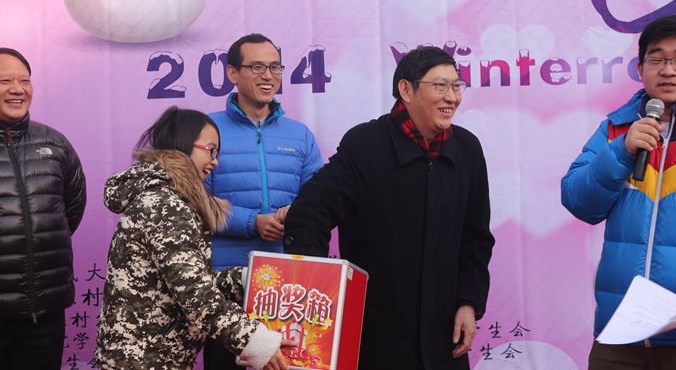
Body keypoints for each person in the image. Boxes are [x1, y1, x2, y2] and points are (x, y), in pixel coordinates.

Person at [283, 46, 495, 369]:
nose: (451, 97)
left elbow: (475, 237)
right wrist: (317, 296)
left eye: (456, 86)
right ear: (406, 90)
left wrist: (469, 302)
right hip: (376, 336)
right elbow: (309, 214)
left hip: (444, 336)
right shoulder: (365, 145)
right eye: (440, 86)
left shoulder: (467, 149)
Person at [562, 14, 676, 369]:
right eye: (657, 59)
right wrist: (621, 151)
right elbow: (578, 201)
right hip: (621, 335)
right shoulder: (617, 128)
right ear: (640, 68)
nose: (668, 70)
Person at [94, 106, 294, 370]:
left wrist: (248, 279)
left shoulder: (169, 199)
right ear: (185, 144)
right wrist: (257, 344)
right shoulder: (164, 205)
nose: (215, 162)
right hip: (142, 362)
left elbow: (188, 280)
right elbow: (196, 296)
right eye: (211, 150)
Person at [204, 34, 323, 368]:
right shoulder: (208, 131)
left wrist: (294, 215)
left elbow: (319, 199)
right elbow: (195, 204)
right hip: (225, 287)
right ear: (232, 72)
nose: (268, 76)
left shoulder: (300, 135)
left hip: (286, 288)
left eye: (275, 67)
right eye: (256, 67)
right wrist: (251, 222)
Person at [0, 47, 86, 370]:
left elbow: (71, 209)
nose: (17, 89)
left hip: (44, 311)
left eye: (24, 80)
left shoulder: (55, 144)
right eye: (5, 81)